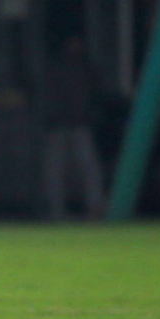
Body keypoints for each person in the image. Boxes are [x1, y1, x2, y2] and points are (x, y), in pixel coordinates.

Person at [43, 35, 104, 220]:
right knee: (55, 170)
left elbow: (96, 93)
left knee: (88, 167)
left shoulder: (87, 67)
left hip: (80, 124)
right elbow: (47, 94)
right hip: (57, 125)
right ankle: (56, 211)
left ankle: (94, 208)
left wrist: (90, 114)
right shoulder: (55, 67)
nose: (75, 46)